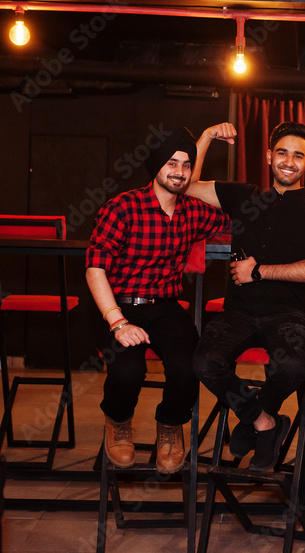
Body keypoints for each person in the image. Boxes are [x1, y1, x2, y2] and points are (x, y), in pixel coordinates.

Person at [189, 121, 305, 471]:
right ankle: (264, 422)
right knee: (203, 362)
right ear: (270, 156)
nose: (289, 161)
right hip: (238, 313)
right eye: (283, 152)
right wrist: (206, 136)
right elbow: (189, 187)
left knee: (291, 367)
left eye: (298, 156)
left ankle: (252, 418)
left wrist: (259, 270)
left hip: (290, 314)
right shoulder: (244, 196)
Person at [86, 127, 229, 474]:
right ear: (155, 166)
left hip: (165, 306)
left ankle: (170, 425)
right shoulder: (122, 208)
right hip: (119, 305)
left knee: (189, 364)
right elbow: (94, 269)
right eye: (171, 163)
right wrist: (118, 322)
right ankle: (118, 422)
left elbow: (240, 214)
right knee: (128, 369)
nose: (179, 171)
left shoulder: (194, 212)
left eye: (185, 165)